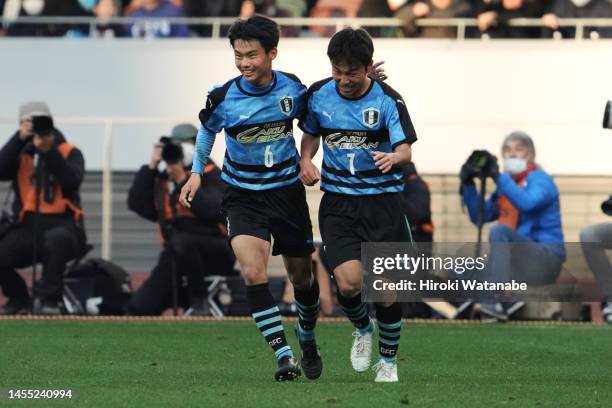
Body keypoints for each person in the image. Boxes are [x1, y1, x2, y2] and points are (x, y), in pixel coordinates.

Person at [179, 16, 321, 382]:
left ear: (272, 52)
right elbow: (207, 132)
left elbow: (316, 123)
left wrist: (307, 160)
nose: (244, 63)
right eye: (238, 55)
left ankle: (306, 338)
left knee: (302, 279)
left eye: (251, 55)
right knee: (253, 272)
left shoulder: (293, 90)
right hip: (242, 196)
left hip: (287, 195)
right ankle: (283, 355)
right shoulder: (223, 96)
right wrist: (196, 172)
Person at [299, 28, 418, 382]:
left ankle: (388, 361)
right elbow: (310, 132)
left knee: (383, 287)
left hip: (382, 204)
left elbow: (406, 149)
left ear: (368, 66)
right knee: (350, 285)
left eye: (352, 72)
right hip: (338, 204)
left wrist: (394, 159)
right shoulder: (319, 94)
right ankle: (363, 329)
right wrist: (306, 159)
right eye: (337, 70)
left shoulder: (388, 100)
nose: (344, 79)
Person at [127, 124, 235, 316]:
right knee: (139, 308)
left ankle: (199, 300)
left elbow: (211, 210)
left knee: (181, 241)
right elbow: (137, 204)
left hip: (215, 251)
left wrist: (182, 180)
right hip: (176, 255)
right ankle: (186, 300)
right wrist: (152, 166)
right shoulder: (164, 179)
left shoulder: (212, 174)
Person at [460, 131, 565, 321]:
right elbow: (479, 216)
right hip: (514, 262)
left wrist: (498, 176)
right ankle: (501, 303)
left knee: (499, 231)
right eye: (507, 150)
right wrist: (468, 184)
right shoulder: (507, 184)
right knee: (459, 271)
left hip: (545, 262)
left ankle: (494, 300)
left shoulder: (541, 179)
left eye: (519, 149)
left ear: (531, 155)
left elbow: (527, 203)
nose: (513, 154)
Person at [0, 101, 87, 315]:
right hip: (27, 226)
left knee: (56, 240)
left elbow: (71, 181)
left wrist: (49, 151)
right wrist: (19, 138)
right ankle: (19, 297)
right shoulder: (20, 154)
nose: (35, 125)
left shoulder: (70, 151)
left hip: (64, 226)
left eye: (39, 121)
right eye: (29, 121)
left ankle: (48, 300)